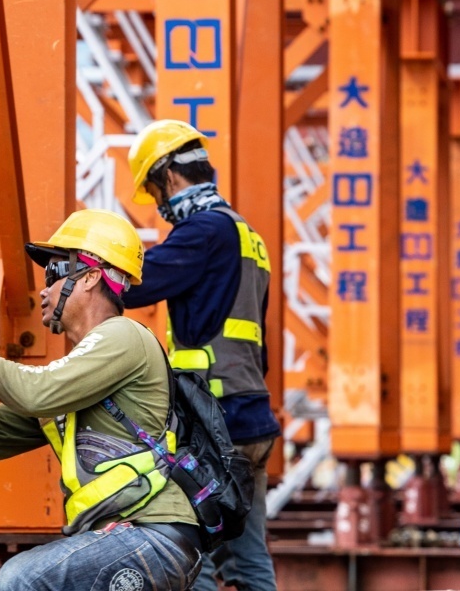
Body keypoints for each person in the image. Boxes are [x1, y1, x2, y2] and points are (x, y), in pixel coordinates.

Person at [0, 209, 202, 591]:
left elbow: (35, 392)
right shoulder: (79, 375)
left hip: (150, 535)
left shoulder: (123, 337)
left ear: (89, 277)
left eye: (54, 273)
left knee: (21, 580)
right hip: (133, 537)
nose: (45, 290)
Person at [124, 119, 280, 591]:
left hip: (215, 422)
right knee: (250, 559)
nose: (158, 205)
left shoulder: (203, 232)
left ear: (169, 177)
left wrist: (81, 271)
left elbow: (136, 284)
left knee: (194, 558)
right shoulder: (246, 234)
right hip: (252, 418)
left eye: (153, 193)